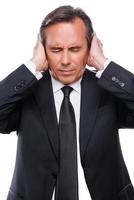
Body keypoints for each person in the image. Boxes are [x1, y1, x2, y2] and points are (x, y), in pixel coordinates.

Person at [0, 5, 134, 200]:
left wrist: (103, 62)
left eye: (75, 49)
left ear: (89, 47)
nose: (65, 60)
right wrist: (32, 66)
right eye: (55, 49)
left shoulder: (108, 89)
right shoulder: (25, 92)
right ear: (43, 49)